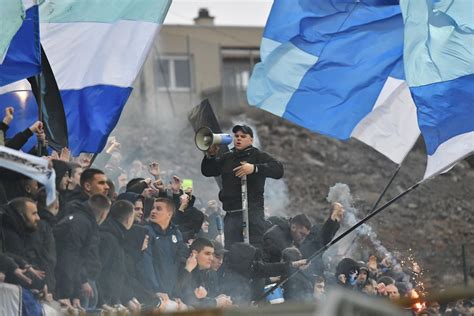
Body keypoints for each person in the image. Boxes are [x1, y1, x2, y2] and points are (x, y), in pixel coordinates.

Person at [201, 124, 284, 249]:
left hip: (252, 214)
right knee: (232, 252)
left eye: (243, 136)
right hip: (231, 216)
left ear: (251, 140)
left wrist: (254, 168)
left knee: (252, 251)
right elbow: (208, 171)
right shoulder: (227, 157)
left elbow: (278, 169)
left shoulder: (258, 156)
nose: (238, 138)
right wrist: (210, 156)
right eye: (236, 136)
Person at [54, 194, 111, 308]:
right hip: (68, 284)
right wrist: (68, 292)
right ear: (104, 214)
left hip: (76, 283)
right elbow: (70, 259)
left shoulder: (82, 221)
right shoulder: (81, 224)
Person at [141, 198, 188, 298]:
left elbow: (179, 263)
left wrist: (177, 294)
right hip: (153, 293)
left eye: (158, 209)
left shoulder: (176, 233)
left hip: (171, 293)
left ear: (169, 214)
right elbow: (146, 263)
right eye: (153, 208)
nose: (153, 211)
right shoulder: (146, 231)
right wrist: (155, 290)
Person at [97, 200, 136, 308]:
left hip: (110, 300)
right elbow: (97, 271)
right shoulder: (109, 238)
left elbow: (118, 271)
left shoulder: (116, 236)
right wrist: (102, 302)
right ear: (129, 219)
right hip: (103, 302)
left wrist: (128, 297)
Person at [176, 238, 232, 309]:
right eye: (207, 254)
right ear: (195, 254)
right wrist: (216, 302)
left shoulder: (204, 271)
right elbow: (190, 300)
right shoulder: (186, 268)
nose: (211, 258)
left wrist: (219, 299)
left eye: (212, 254)